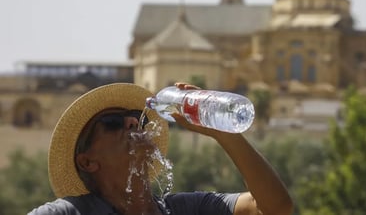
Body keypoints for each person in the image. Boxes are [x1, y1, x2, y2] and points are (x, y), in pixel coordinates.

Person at [28, 82, 293, 215]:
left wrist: (224, 134)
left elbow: (273, 208)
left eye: (136, 117)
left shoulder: (185, 209)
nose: (133, 121)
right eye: (111, 123)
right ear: (87, 162)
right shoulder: (70, 212)